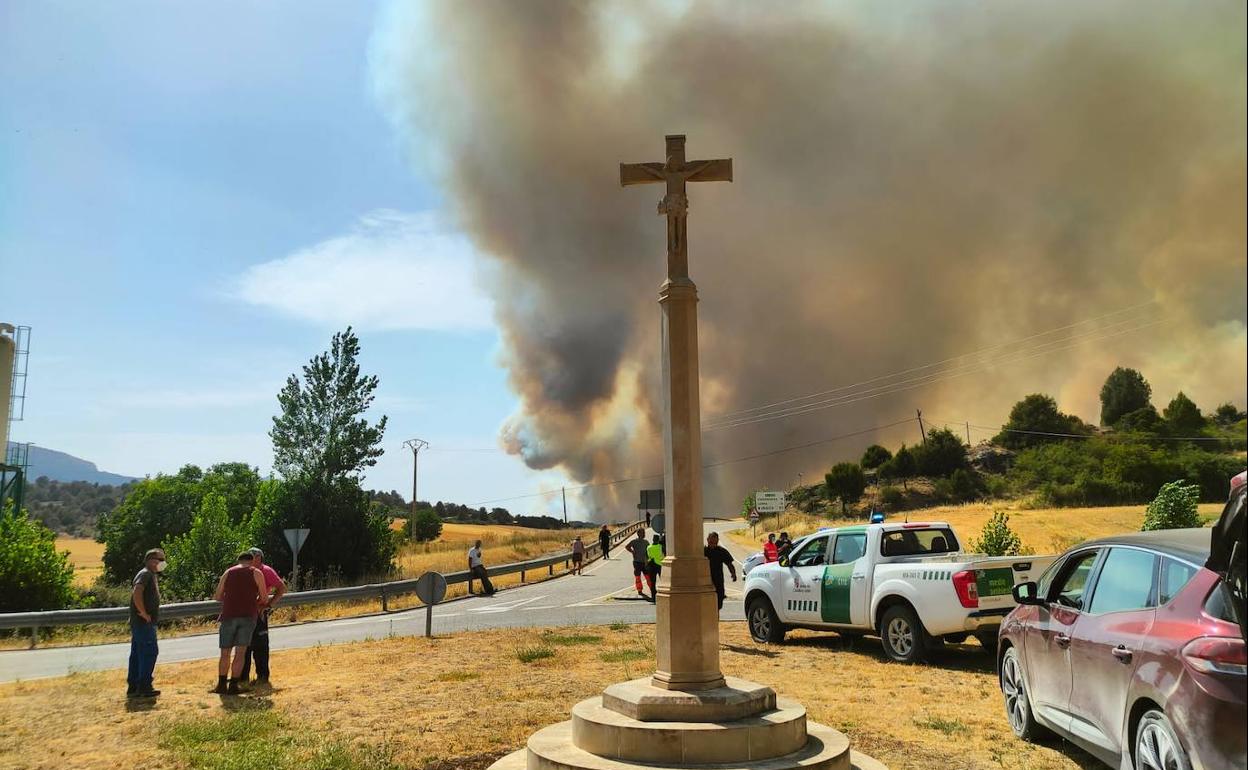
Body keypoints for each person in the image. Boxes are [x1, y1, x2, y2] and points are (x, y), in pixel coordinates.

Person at [212, 551, 268, 694]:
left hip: (228, 616)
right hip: (248, 617)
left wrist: (231, 600)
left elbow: (218, 596)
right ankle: (234, 685)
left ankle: (221, 684)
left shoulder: (228, 573)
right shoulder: (256, 573)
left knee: (225, 653)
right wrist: (252, 601)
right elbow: (264, 598)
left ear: (238, 561)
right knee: (240, 653)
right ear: (251, 560)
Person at [240, 547, 286, 687]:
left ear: (259, 557)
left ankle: (262, 677)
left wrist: (269, 605)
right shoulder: (243, 571)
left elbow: (281, 587)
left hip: (259, 613)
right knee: (244, 646)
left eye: (252, 556)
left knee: (260, 646)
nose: (249, 558)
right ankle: (243, 678)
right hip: (244, 613)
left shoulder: (266, 571)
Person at [126, 548, 165, 699]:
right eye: (160, 560)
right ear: (151, 560)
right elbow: (137, 591)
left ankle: (134, 686)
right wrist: (143, 612)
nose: (163, 563)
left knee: (138, 654)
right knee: (149, 652)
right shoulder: (145, 574)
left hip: (142, 622)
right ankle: (144, 685)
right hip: (143, 622)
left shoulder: (150, 575)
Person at [705, 532, 738, 612]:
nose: (713, 543)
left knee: (718, 605)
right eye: (711, 542)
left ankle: (715, 622)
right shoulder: (703, 551)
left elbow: (729, 564)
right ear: (707, 540)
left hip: (718, 581)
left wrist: (733, 574)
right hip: (705, 581)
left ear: (718, 541)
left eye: (715, 542)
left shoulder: (721, 551)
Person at [627, 531, 654, 599]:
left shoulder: (646, 542)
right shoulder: (635, 541)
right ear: (638, 534)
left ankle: (651, 589)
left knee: (647, 577)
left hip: (643, 562)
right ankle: (640, 590)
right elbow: (627, 547)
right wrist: (632, 551)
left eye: (644, 533)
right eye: (643, 533)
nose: (644, 534)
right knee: (638, 577)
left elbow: (649, 550)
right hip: (638, 562)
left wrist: (632, 552)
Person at [645, 535, 665, 601]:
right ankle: (663, 595)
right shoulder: (661, 547)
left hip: (651, 565)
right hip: (660, 565)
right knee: (663, 582)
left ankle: (653, 597)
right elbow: (664, 554)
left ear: (653, 540)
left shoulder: (648, 547)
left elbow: (648, 556)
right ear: (658, 540)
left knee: (653, 583)